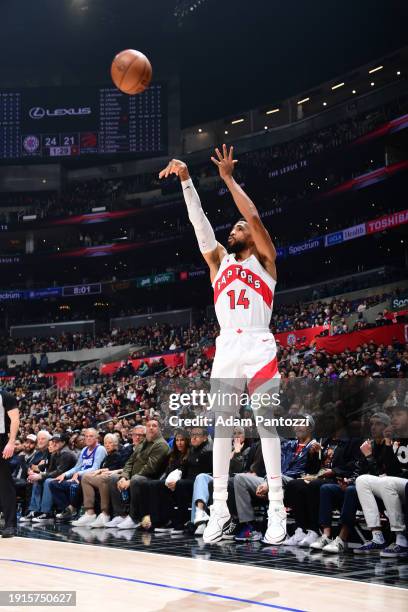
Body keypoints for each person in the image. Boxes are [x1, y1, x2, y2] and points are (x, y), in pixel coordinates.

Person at [159, 146, 284, 545]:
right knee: (222, 431)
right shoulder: (219, 262)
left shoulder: (264, 260)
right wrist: (186, 181)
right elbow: (201, 227)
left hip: (260, 343)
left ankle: (278, 510)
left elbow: (254, 217)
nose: (234, 230)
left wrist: (228, 179)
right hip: (227, 347)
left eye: (238, 228)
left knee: (267, 427)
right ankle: (219, 510)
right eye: (231, 228)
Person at [49, 428, 107, 521]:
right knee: (54, 483)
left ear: (97, 438)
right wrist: (65, 474)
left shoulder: (100, 449)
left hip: (91, 478)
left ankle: (74, 509)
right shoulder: (84, 449)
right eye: (86, 436)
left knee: (77, 483)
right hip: (78, 477)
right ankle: (67, 511)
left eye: (91, 436)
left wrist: (79, 473)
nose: (88, 438)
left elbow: (96, 468)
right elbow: (77, 467)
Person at [0, 390, 19, 538]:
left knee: (5, 483)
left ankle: (10, 524)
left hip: (1, 440)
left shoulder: (6, 396)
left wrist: (11, 442)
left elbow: (15, 420)